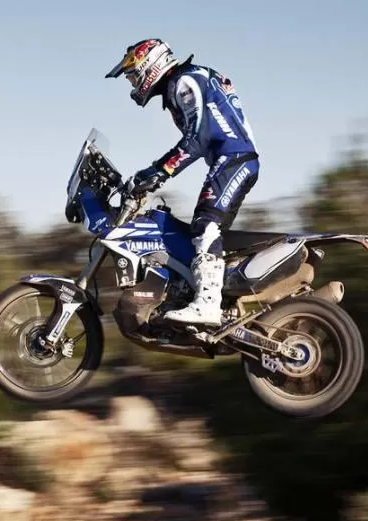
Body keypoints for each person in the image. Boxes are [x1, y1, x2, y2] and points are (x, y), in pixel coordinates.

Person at [106, 38, 260, 326]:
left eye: (132, 75)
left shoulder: (183, 82)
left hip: (234, 158)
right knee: (201, 232)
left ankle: (208, 306)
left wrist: (156, 173)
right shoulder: (190, 79)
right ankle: (211, 297)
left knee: (206, 224)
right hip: (232, 158)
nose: (132, 84)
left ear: (150, 66)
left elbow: (196, 140)